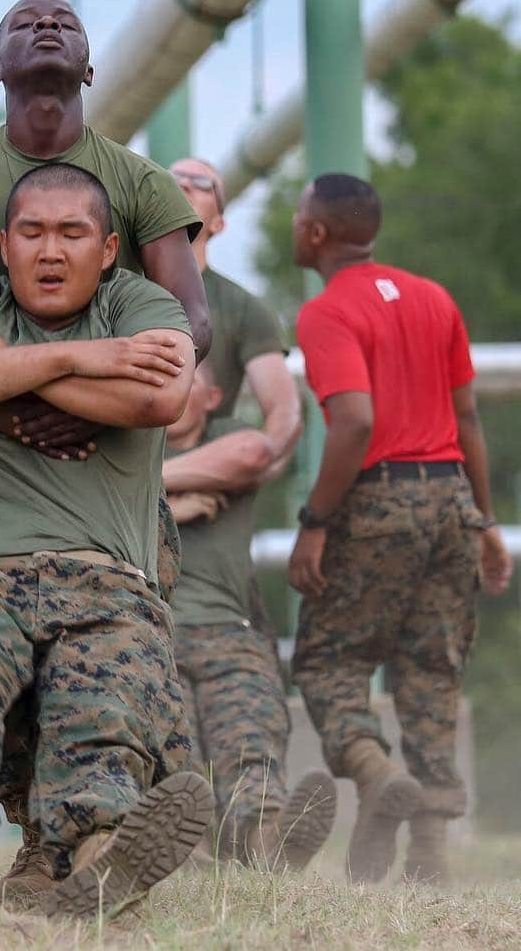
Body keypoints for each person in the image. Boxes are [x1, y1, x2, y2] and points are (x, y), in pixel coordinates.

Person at [0, 0, 206, 902]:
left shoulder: (141, 218)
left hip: (106, 550)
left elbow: (171, 375)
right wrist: (59, 366)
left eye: (73, 234)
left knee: (109, 700)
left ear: (111, 250)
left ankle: (90, 860)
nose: (51, 249)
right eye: (32, 233)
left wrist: (18, 367)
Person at [287, 173, 513, 884]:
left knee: (328, 662)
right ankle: (431, 859)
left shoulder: (326, 313)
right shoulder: (433, 297)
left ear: (318, 233)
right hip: (450, 498)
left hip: (379, 499)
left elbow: (354, 420)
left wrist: (315, 522)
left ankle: (373, 769)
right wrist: (484, 521)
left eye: (299, 215)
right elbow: (468, 417)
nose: (294, 224)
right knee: (432, 669)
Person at [165, 360, 336, 869]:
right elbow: (90, 504)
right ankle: (188, 854)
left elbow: (264, 447)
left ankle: (268, 842)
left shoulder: (234, 441)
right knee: (174, 753)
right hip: (151, 634)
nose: (172, 390)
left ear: (213, 397)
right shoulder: (125, 449)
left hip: (229, 634)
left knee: (250, 735)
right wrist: (171, 505)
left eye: (187, 380)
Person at [162, 157, 301, 496]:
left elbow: (284, 413)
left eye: (202, 184)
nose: (184, 185)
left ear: (219, 223)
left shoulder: (245, 308)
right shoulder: (113, 287)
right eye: (174, 178)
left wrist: (245, 469)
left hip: (202, 492)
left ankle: (146, 487)